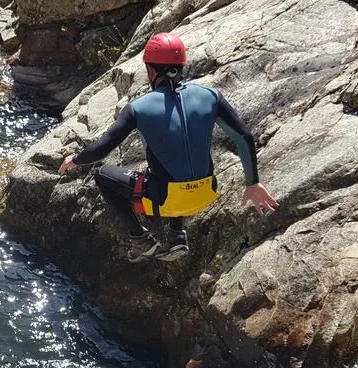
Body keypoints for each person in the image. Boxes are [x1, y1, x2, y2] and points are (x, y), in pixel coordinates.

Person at [58, 32, 279, 263]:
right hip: (205, 194)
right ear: (181, 65)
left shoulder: (138, 108)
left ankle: (140, 239)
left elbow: (101, 149)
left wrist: (75, 159)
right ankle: (176, 236)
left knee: (102, 174)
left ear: (151, 71)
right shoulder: (211, 96)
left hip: (164, 200)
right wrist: (253, 183)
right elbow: (243, 135)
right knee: (177, 164)